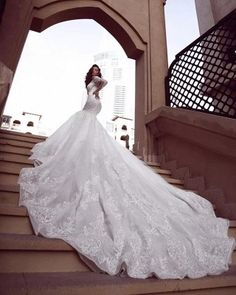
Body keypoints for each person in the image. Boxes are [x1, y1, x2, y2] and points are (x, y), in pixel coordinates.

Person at [18, 64, 235, 280]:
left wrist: (100, 83)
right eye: (93, 70)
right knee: (80, 151)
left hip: (92, 126)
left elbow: (102, 84)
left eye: (97, 69)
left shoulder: (97, 88)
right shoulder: (92, 86)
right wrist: (97, 81)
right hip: (84, 122)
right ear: (90, 75)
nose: (96, 72)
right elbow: (100, 83)